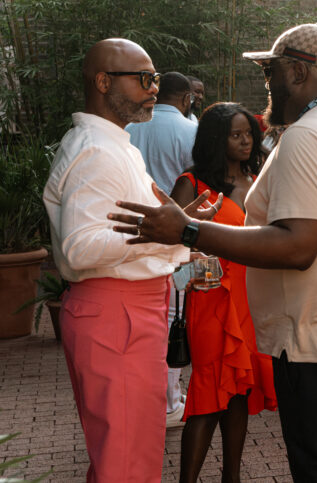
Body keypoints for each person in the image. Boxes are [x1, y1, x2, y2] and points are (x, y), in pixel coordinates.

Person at [110, 24, 317, 481]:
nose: (266, 83)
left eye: (271, 72)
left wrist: (189, 230)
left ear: (297, 72)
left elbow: (297, 245)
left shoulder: (310, 135)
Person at [43, 38, 217, 482]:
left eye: (155, 78)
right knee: (125, 462)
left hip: (126, 311)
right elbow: (80, 247)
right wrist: (160, 232)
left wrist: (176, 226)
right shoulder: (97, 151)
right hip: (117, 313)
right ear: (103, 82)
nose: (154, 88)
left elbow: (129, 231)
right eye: (143, 78)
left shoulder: (114, 144)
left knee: (131, 453)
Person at [169, 103, 277, 483]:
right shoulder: (192, 184)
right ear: (216, 139)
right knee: (207, 398)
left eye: (249, 133)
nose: (246, 141)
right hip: (211, 298)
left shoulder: (258, 179)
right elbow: (168, 244)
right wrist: (191, 254)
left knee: (239, 391)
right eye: (236, 134)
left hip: (251, 298)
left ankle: (232, 477)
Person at [126, 70, 199, 425]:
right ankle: (168, 400)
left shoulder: (129, 128)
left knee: (143, 318)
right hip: (176, 234)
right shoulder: (190, 130)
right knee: (174, 315)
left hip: (134, 231)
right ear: (185, 99)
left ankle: (150, 394)